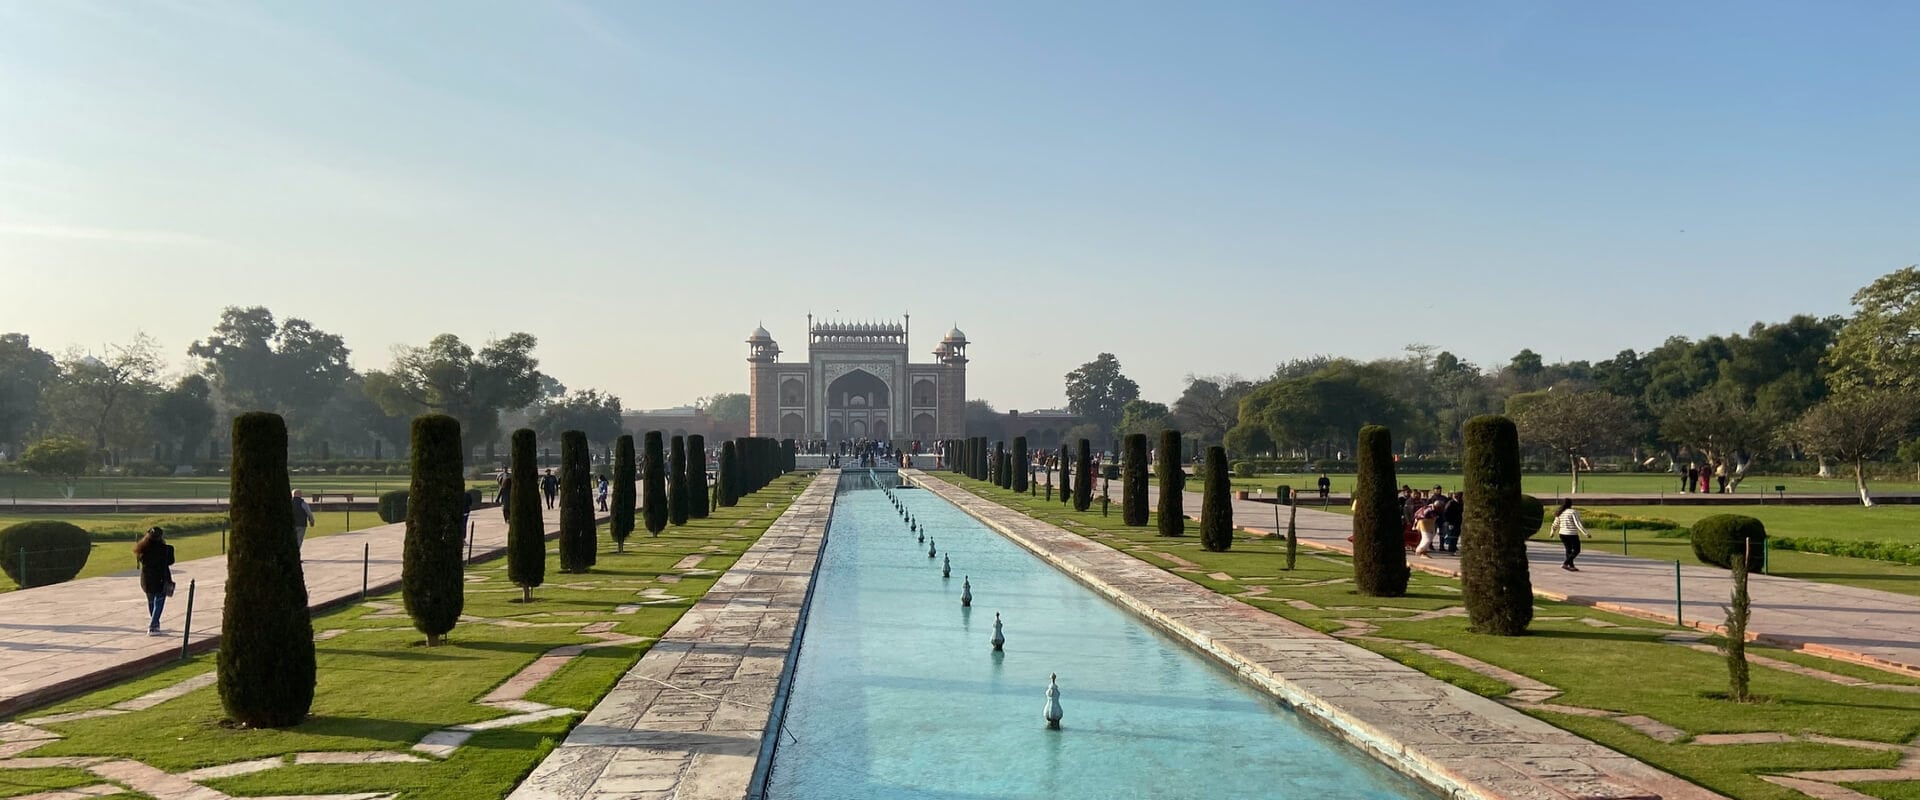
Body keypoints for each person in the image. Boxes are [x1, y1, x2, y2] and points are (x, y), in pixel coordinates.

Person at [133, 527, 175, 635]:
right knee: (159, 602)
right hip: (161, 578)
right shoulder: (167, 549)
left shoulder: (142, 549)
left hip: (147, 579)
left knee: (151, 602)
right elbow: (171, 561)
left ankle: (155, 623)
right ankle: (153, 625)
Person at [1551, 499, 1592, 571]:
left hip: (1562, 534)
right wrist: (1586, 533)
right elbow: (1578, 524)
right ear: (1571, 504)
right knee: (1577, 550)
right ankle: (1565, 563)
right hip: (1571, 534)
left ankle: (1571, 566)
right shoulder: (1573, 512)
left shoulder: (1560, 512)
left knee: (1568, 550)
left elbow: (1555, 524)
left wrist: (1552, 532)